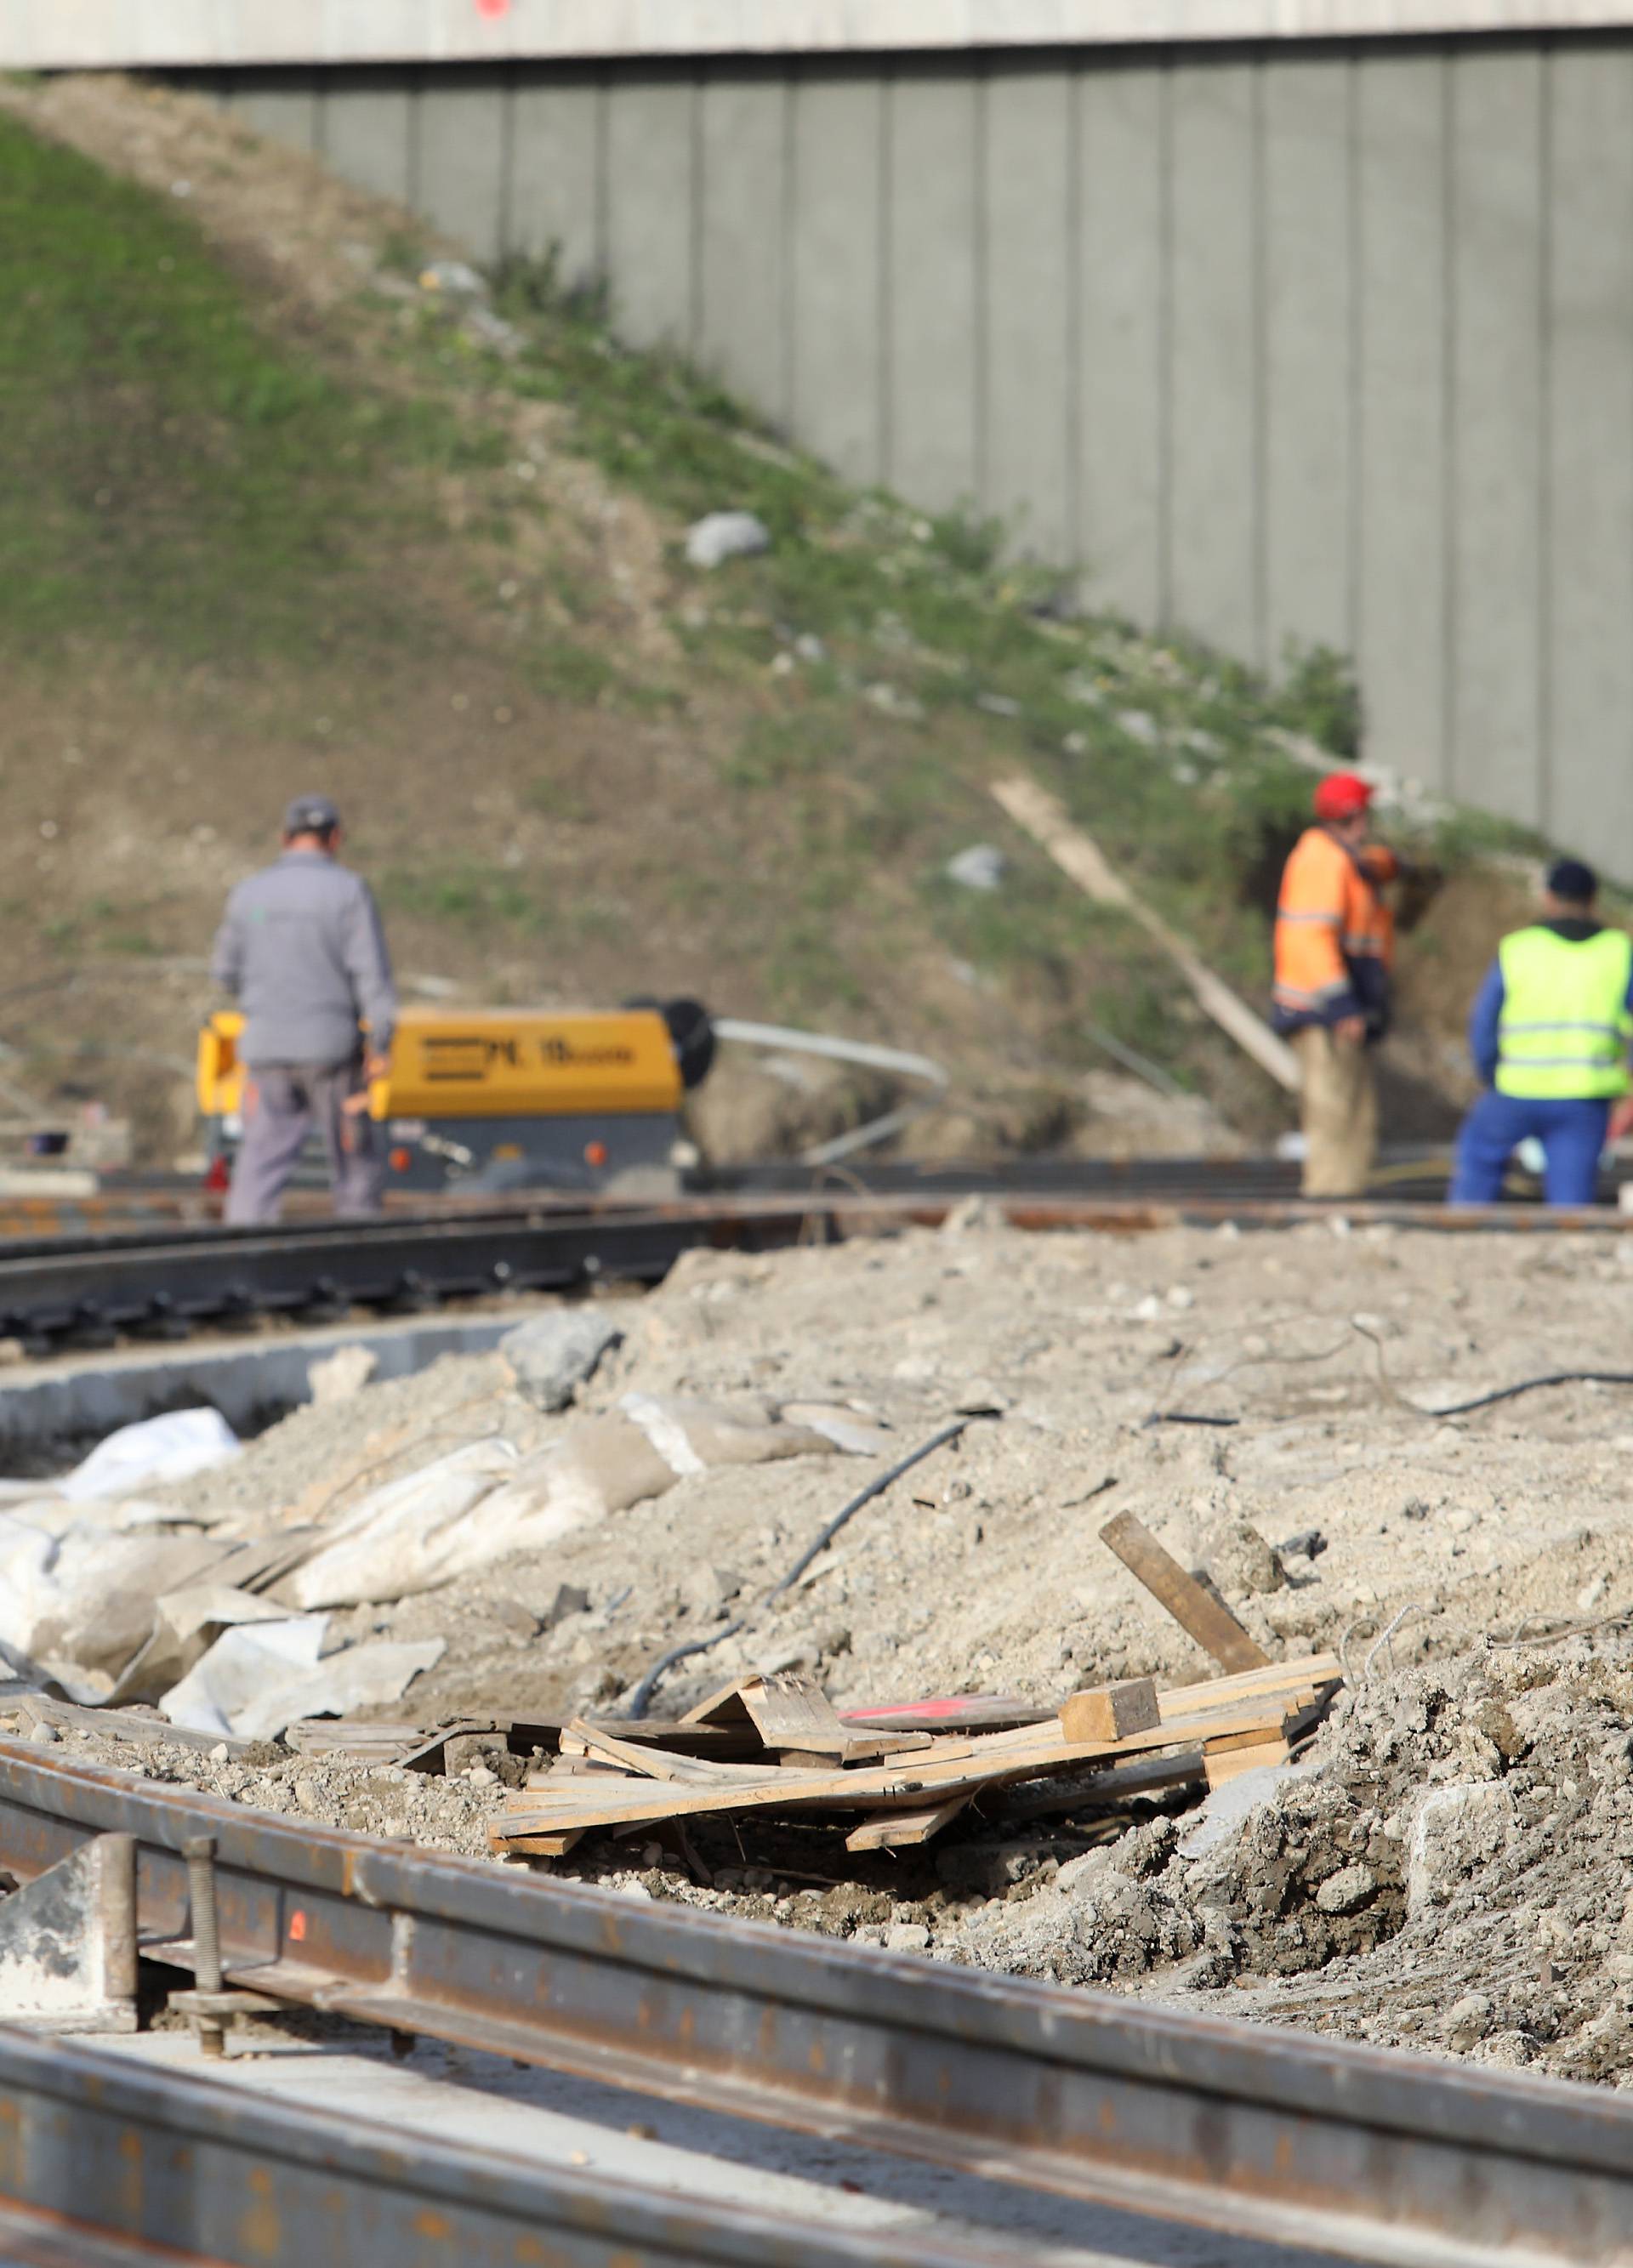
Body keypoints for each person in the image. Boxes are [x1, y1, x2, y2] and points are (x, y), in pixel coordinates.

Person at [210, 794, 396, 1226]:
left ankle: (243, 1259)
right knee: (353, 1164)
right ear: (334, 838)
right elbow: (372, 975)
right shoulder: (347, 892)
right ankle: (358, 1260)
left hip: (266, 1050)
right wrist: (382, 1041)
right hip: (331, 1051)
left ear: (284, 838)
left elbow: (223, 974)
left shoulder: (248, 894)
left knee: (258, 1166)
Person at [1448, 858, 1633, 1209]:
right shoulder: (1620, 953)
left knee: (1477, 1169)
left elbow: (1484, 1023)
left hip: (1515, 1090)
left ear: (1549, 898)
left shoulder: (1518, 949)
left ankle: (1458, 1236)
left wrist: (1490, 1073)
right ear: (1593, 901)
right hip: (1584, 1097)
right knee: (1572, 1203)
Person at [1272, 771, 1398, 1198]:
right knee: (1333, 1113)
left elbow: (1368, 869)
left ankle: (1346, 1198)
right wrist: (1341, 1005)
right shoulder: (1320, 861)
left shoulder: (1344, 860)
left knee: (1355, 1114)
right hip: (1324, 1013)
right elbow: (1309, 938)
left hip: (1343, 1010)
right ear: (1353, 816)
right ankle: (1328, 1202)